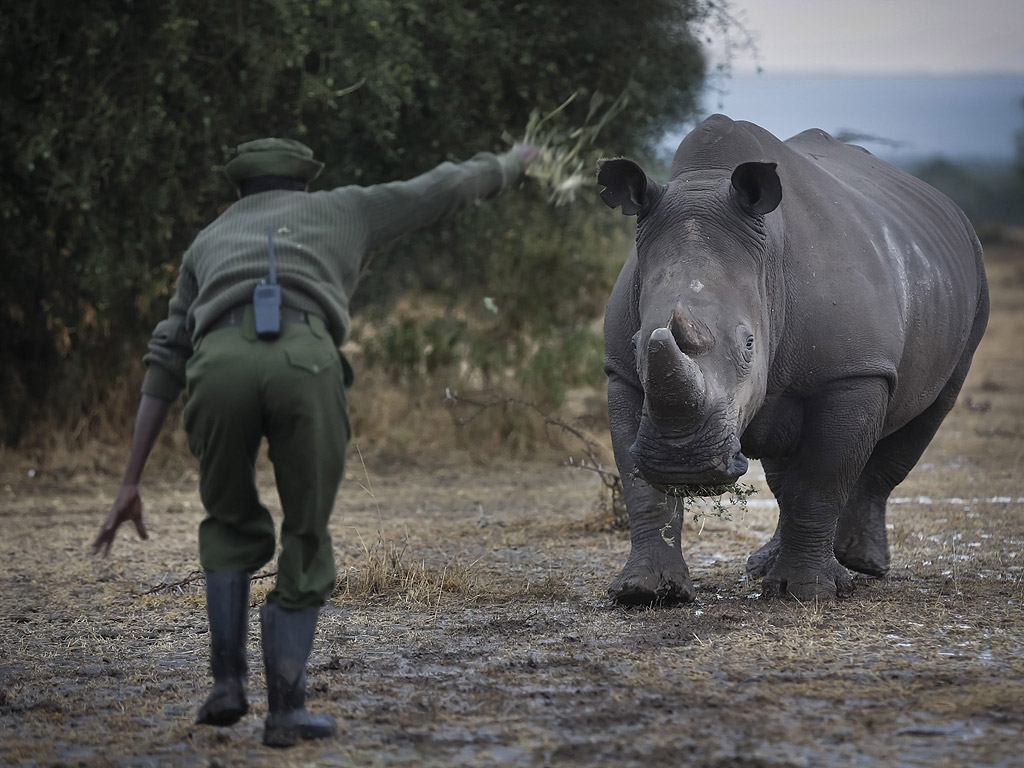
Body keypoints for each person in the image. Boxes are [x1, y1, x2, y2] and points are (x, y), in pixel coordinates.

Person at [92, 137, 540, 747]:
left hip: (216, 366)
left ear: (239, 190)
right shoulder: (345, 207)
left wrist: (129, 480)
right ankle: (285, 712)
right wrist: (511, 164)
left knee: (227, 521)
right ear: (304, 184)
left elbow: (167, 353)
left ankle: (226, 684)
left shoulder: (208, 239)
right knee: (305, 533)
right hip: (305, 363)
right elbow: (439, 190)